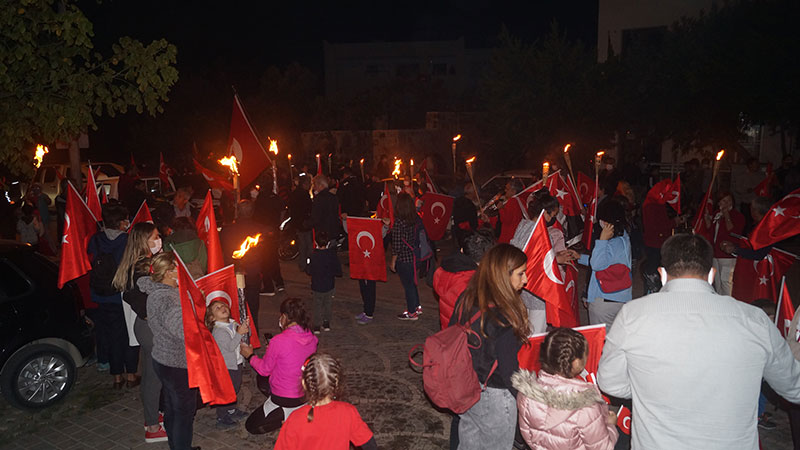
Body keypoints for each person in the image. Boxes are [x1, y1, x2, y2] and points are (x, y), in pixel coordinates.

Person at [597, 233, 800, 450]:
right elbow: (794, 387)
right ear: (712, 275)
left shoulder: (633, 314)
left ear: (662, 275)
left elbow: (609, 381)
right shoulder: (755, 320)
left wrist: (646, 387)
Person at [449, 243, 530, 450]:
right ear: (504, 274)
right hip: (495, 397)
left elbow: (451, 335)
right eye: (521, 274)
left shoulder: (467, 298)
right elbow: (508, 371)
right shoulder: (504, 316)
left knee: (467, 444)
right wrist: (525, 398)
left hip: (467, 387)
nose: (526, 280)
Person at [513, 328, 618, 450]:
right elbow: (603, 447)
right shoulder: (585, 407)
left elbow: (528, 436)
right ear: (576, 363)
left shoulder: (526, 395)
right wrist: (611, 426)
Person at [139, 252, 199, 450]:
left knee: (172, 408)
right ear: (169, 273)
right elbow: (183, 330)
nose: (180, 272)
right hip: (176, 363)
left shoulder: (158, 292)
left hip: (164, 359)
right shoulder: (167, 298)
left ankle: (176, 445)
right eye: (177, 269)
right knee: (183, 412)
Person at [112, 222, 164, 443]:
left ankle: (153, 415)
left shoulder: (144, 264)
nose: (159, 239)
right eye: (155, 236)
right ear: (144, 241)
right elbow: (136, 299)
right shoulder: (142, 269)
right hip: (150, 328)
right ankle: (152, 426)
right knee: (154, 378)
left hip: (150, 327)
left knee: (152, 376)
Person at [240, 297, 318, 435]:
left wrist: (250, 355)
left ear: (285, 316)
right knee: (264, 380)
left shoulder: (279, 341)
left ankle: (286, 416)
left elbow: (264, 370)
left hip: (285, 397)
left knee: (251, 426)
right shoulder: (311, 337)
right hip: (303, 392)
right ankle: (296, 412)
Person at [275, 353, 377, 450]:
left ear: (304, 384)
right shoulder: (348, 412)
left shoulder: (295, 419)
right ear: (336, 383)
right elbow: (369, 443)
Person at [87, 203, 140, 389]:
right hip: (122, 295)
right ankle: (131, 374)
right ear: (120, 222)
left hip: (101, 295)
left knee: (111, 335)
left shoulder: (95, 239)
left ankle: (117, 377)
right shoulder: (127, 240)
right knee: (129, 335)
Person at [578, 197, 632, 328]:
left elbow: (597, 265)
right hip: (622, 299)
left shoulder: (608, 242)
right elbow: (608, 262)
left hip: (603, 300)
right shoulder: (624, 239)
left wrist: (602, 239)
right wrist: (579, 257)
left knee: (600, 343)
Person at [433, 229, 495, 330]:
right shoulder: (473, 282)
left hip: (448, 329)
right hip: (465, 334)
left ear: (462, 250)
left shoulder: (445, 269)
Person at [204, 299, 249, 428]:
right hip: (227, 366)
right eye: (217, 308)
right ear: (212, 318)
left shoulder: (233, 323)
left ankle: (231, 409)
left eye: (223, 305)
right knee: (226, 391)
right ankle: (222, 416)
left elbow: (243, 336)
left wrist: (245, 328)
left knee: (235, 387)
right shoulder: (219, 331)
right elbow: (230, 346)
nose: (222, 308)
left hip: (237, 362)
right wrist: (239, 334)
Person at [220, 200, 264, 330]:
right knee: (253, 305)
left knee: (236, 305)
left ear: (237, 212)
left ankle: (237, 332)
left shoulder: (227, 230)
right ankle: (253, 330)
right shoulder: (258, 229)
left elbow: (223, 250)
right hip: (252, 272)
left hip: (234, 273)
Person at [701, 192, 744, 296]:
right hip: (716, 254)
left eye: (729, 200)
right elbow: (712, 232)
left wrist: (727, 215)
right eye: (724, 200)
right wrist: (708, 221)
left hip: (727, 256)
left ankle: (729, 304)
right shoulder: (717, 215)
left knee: (726, 282)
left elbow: (733, 231)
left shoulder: (737, 215)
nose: (726, 203)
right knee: (717, 283)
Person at [391, 192, 422, 320]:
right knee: (412, 283)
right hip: (414, 256)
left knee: (408, 285)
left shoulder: (399, 222)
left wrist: (393, 261)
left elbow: (397, 244)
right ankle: (417, 307)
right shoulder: (414, 219)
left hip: (404, 258)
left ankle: (411, 312)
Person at [254, 177, 286, 295]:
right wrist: (278, 224)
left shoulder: (261, 199)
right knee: (273, 258)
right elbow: (283, 210)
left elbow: (256, 216)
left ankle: (268, 287)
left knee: (265, 260)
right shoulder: (276, 198)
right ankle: (279, 283)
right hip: (274, 231)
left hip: (264, 233)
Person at [306, 231, 342, 333]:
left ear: (316, 243)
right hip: (329, 284)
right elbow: (337, 269)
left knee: (317, 305)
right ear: (328, 243)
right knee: (328, 304)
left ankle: (317, 325)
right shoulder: (332, 255)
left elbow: (309, 270)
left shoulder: (313, 255)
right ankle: (326, 323)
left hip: (317, 285)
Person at [288, 174, 313, 271]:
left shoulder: (294, 193)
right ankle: (307, 264)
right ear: (304, 184)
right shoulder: (304, 194)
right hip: (304, 223)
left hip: (298, 223)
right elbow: (308, 208)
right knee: (307, 245)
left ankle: (303, 264)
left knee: (302, 245)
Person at [311, 174, 341, 244]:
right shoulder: (334, 197)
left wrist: (307, 224)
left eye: (315, 185)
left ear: (321, 185)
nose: (314, 188)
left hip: (323, 235)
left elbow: (316, 217)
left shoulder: (319, 199)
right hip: (334, 231)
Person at [452, 182, 480, 250]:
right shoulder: (470, 206)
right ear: (472, 193)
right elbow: (474, 223)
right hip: (467, 233)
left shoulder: (457, 201)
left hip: (457, 231)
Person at [496, 179, 525, 244]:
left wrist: (500, 208)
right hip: (517, 235)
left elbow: (506, 219)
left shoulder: (512, 201)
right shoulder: (521, 200)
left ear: (513, 191)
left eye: (507, 189)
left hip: (508, 236)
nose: (505, 190)